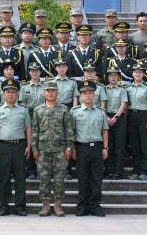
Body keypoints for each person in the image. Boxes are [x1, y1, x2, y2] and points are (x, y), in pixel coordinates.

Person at [31, 80, 73, 217]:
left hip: (60, 149)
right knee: (44, 178)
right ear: (44, 93)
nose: (50, 93)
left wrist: (69, 148)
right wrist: (34, 149)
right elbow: (35, 131)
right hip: (43, 149)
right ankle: (45, 205)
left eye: (53, 90)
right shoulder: (38, 110)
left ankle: (58, 205)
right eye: (48, 90)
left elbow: (69, 130)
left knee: (59, 179)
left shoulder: (64, 109)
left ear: (57, 92)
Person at [0, 79, 31, 216]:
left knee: (20, 178)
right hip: (3, 147)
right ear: (3, 94)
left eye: (13, 92)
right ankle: (4, 206)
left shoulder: (24, 110)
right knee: (4, 178)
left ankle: (20, 207)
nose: (10, 94)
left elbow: (28, 128)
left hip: (20, 146)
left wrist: (29, 145)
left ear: (17, 94)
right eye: (7, 92)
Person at [72, 82, 109, 217]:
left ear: (94, 95)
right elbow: (72, 131)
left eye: (90, 93)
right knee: (82, 178)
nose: (88, 95)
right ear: (80, 96)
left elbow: (104, 130)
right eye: (84, 93)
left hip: (97, 148)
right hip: (81, 148)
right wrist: (72, 148)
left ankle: (95, 206)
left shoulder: (101, 112)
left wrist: (105, 147)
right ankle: (82, 206)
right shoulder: (74, 112)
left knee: (96, 178)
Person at [125, 61, 147, 180]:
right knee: (134, 145)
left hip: (144, 116)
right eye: (135, 72)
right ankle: (136, 170)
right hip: (131, 116)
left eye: (140, 72)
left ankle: (144, 171)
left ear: (144, 74)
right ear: (132, 74)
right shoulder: (127, 88)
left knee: (145, 145)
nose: (137, 74)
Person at [102, 62, 128, 179]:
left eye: (115, 75)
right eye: (110, 75)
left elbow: (124, 104)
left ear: (118, 77)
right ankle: (109, 171)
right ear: (107, 77)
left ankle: (118, 171)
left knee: (120, 146)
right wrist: (106, 117)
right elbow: (102, 104)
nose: (113, 77)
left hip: (119, 118)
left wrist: (116, 117)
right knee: (108, 145)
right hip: (106, 117)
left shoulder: (122, 89)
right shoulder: (104, 89)